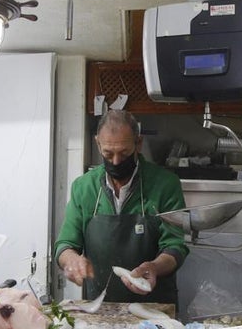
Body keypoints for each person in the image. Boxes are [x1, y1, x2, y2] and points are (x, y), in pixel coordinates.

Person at [54, 110, 189, 305]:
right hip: (100, 306)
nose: (116, 161)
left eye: (124, 153)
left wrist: (155, 267)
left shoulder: (165, 185)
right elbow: (65, 244)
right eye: (108, 153)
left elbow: (175, 246)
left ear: (138, 143)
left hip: (155, 306)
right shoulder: (83, 188)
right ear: (98, 144)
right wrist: (71, 260)